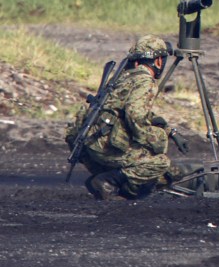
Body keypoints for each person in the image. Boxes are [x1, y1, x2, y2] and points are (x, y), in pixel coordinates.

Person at [64, 35, 185, 200]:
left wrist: (169, 130)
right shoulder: (145, 81)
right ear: (158, 62)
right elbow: (136, 115)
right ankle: (109, 182)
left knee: (161, 174)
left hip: (90, 147)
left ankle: (110, 179)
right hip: (106, 148)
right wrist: (156, 140)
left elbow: (134, 112)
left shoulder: (122, 79)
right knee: (160, 163)